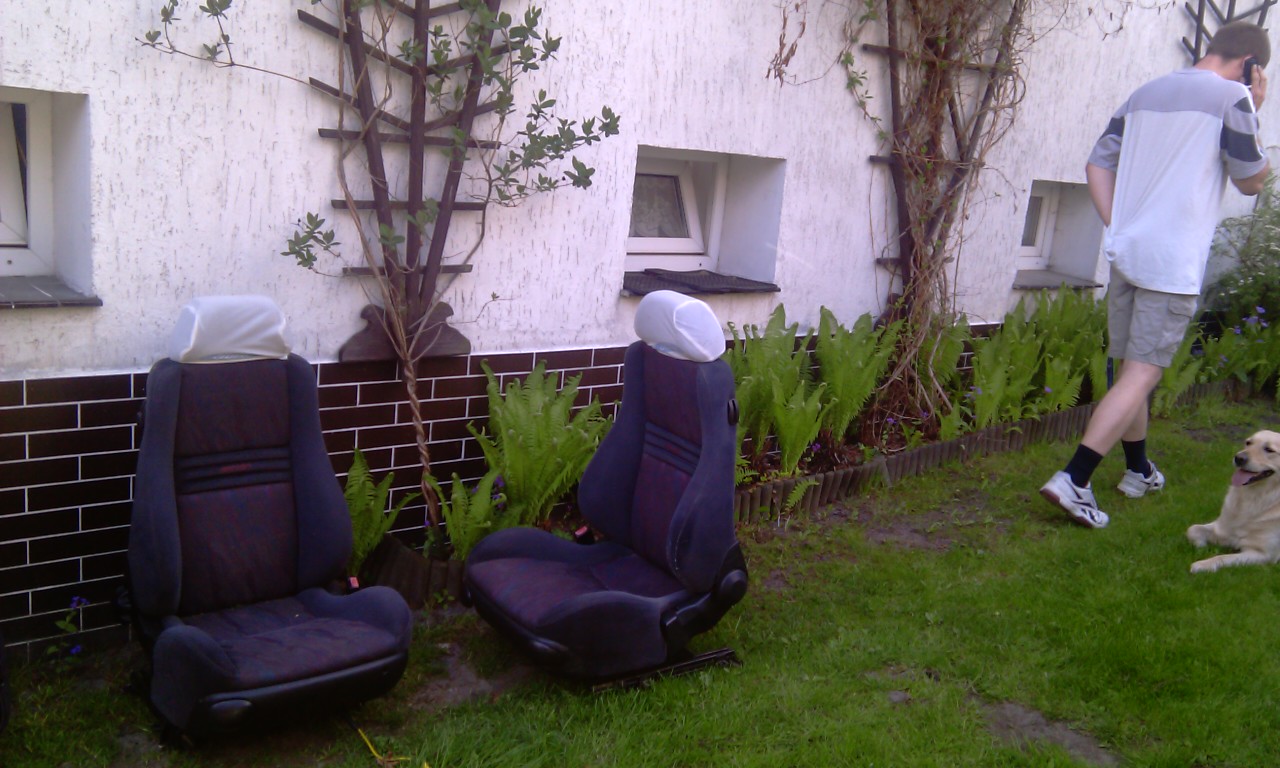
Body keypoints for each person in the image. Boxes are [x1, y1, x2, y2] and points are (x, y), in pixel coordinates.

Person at [1041, 21, 1272, 528]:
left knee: (1130, 369)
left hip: (1128, 253)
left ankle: (1139, 471)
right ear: (1251, 65)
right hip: (1170, 263)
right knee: (1143, 372)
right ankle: (1074, 479)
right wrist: (1255, 110)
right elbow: (1252, 180)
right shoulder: (1234, 98)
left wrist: (1117, 225)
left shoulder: (1145, 92)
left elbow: (1097, 163)